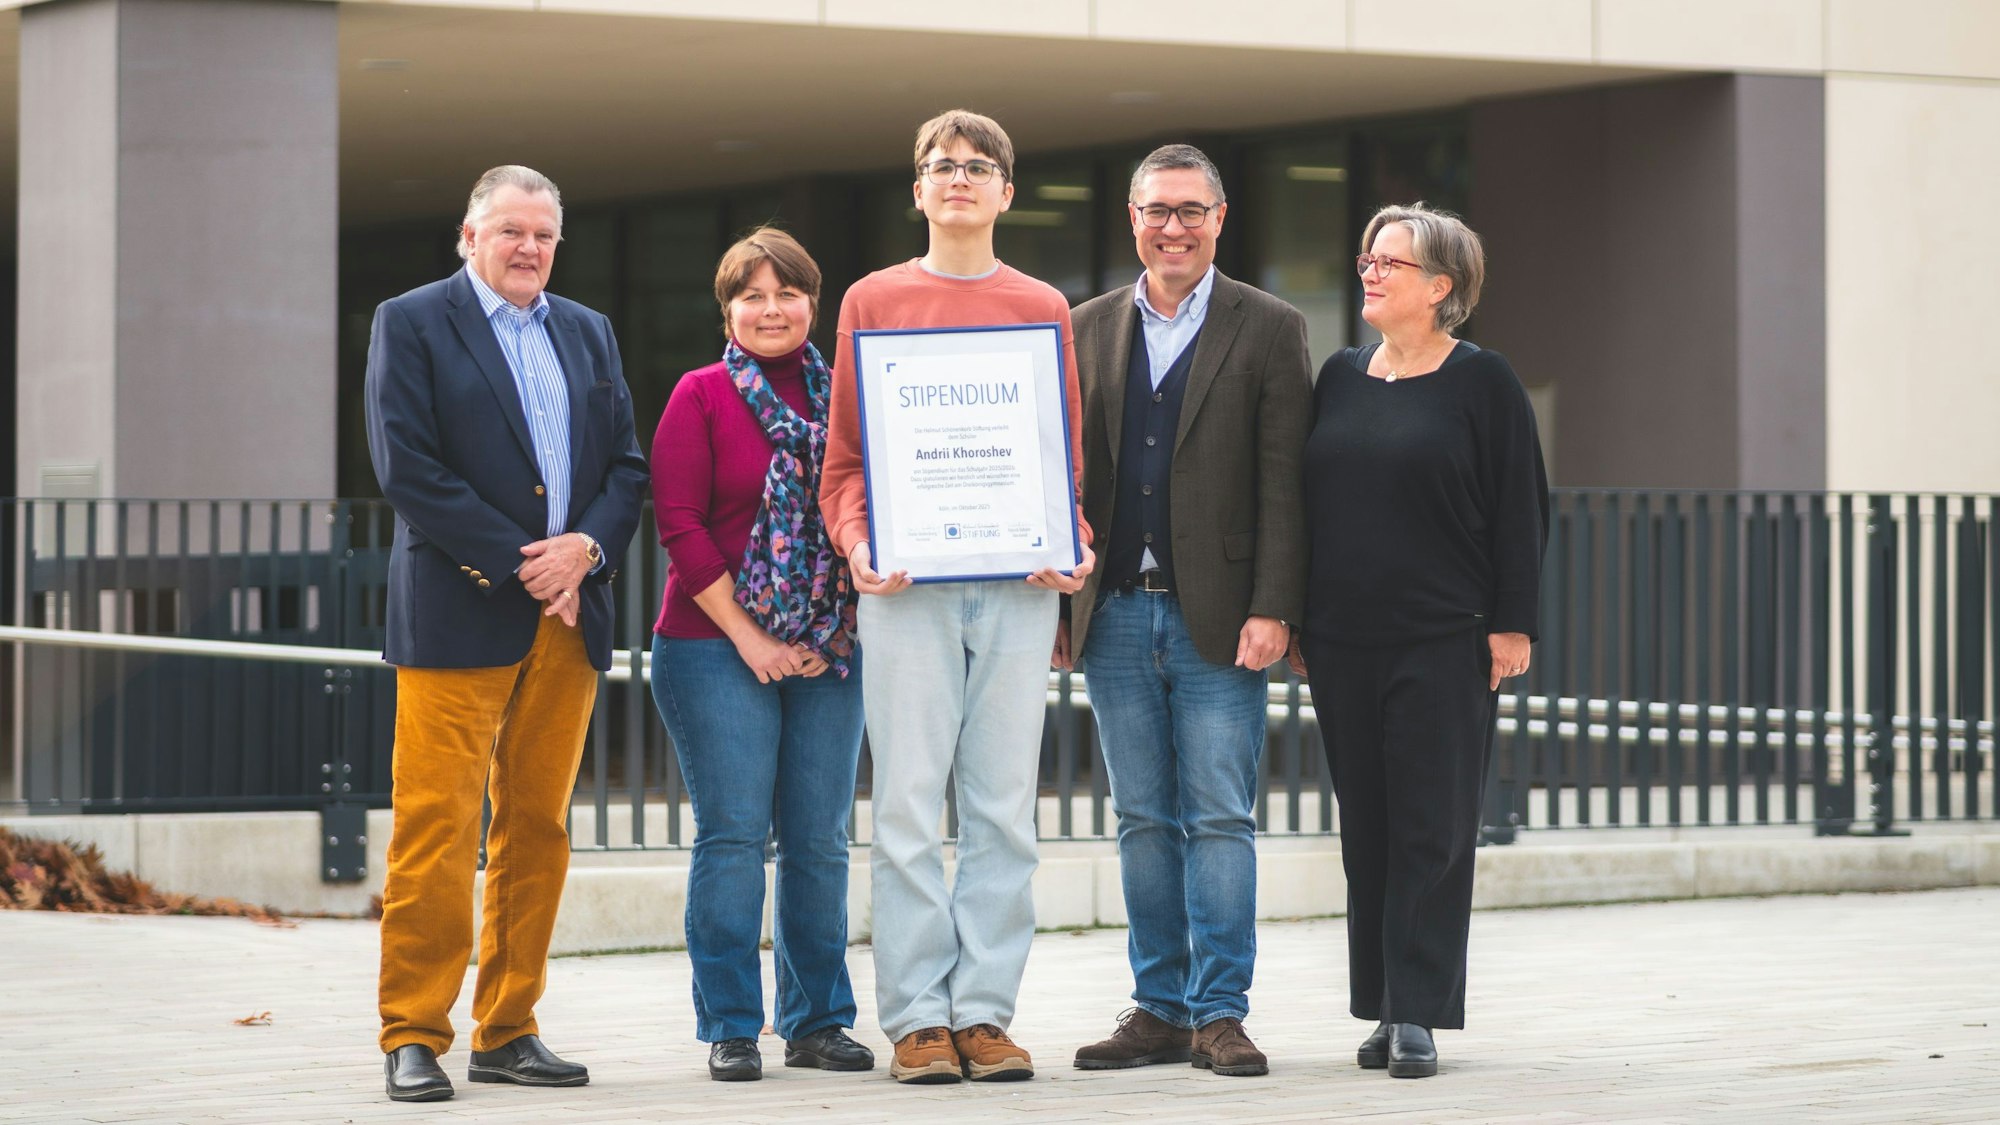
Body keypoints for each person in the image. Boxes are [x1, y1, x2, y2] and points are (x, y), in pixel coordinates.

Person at [818, 109, 1094, 1086]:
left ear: (1006, 192)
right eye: (942, 165)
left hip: (1016, 592)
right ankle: (914, 1022)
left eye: (980, 167)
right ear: (917, 189)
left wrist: (1072, 548)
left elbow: (1057, 466)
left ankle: (982, 1013)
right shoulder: (871, 300)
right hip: (905, 591)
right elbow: (844, 462)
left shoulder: (1040, 307)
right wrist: (856, 542)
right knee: (901, 809)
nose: (960, 178)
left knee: (1002, 814)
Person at [365, 165, 648, 1102]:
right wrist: (528, 559)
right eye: (510, 231)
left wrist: (586, 551)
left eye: (543, 235)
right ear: (468, 234)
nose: (528, 248)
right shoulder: (410, 320)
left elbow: (625, 467)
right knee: (437, 828)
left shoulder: (588, 330)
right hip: (459, 610)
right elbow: (408, 465)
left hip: (570, 619)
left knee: (538, 829)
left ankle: (509, 1028)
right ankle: (413, 1031)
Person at [1060, 144, 1311, 1078]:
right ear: (1132, 218)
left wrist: (1275, 604)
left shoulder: (1270, 325)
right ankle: (1159, 1006)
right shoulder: (1083, 326)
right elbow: (1066, 475)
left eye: (1191, 210)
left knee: (1218, 815)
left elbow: (1288, 484)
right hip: (1115, 610)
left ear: (1221, 217)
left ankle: (1220, 1011)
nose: (1174, 226)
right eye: (1158, 210)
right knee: (1140, 817)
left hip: (1223, 617)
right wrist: (1062, 602)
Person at [1290, 203, 1548, 1079]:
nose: (1370, 269)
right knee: (1368, 826)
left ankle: (1420, 1011)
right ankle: (1384, 1000)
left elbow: (1522, 508)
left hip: (1446, 639)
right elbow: (1310, 509)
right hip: (1341, 640)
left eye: (1390, 261)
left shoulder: (1484, 382)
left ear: (1441, 287)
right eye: (1366, 256)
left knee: (1432, 829)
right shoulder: (1340, 375)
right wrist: (1296, 617)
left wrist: (1514, 624)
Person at [647, 227, 871, 1082]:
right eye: (752, 295)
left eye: (787, 293)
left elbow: (865, 510)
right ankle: (732, 1023)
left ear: (814, 302)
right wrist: (754, 638)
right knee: (735, 835)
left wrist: (826, 632)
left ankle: (817, 1020)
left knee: (819, 840)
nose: (770, 309)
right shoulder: (700, 394)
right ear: (727, 309)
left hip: (827, 648)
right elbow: (680, 526)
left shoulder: (845, 396)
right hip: (712, 644)